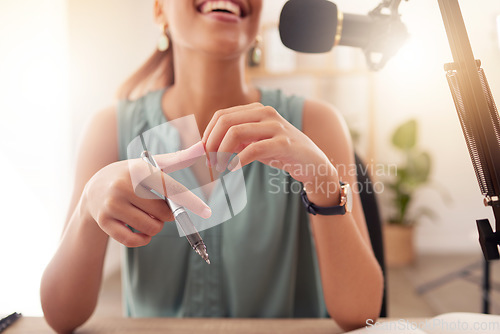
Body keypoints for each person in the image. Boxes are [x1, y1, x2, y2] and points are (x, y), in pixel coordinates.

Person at [40, 0, 383, 333]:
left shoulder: (317, 124)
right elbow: (61, 316)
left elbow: (361, 315)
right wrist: (88, 208)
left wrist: (323, 182)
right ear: (160, 9)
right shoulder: (109, 129)